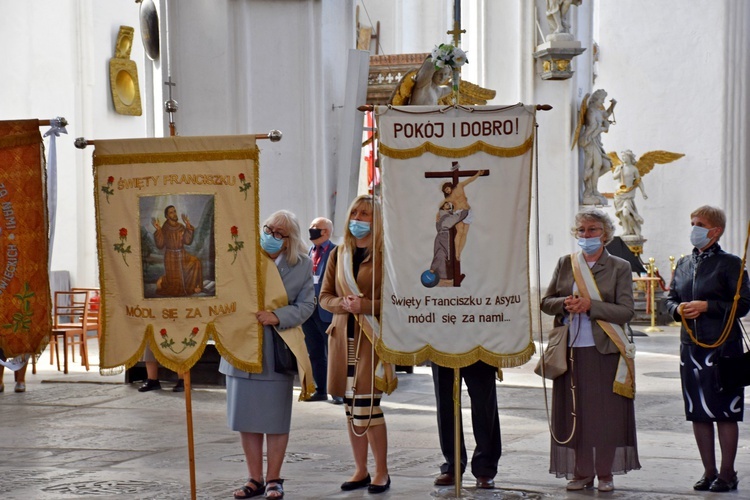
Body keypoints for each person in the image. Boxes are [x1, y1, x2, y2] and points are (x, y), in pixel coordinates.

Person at [540, 209, 639, 492]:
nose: (586, 235)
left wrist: (590, 306)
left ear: (605, 234)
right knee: (576, 412)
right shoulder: (565, 263)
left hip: (605, 349)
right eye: (582, 230)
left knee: (605, 415)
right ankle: (581, 472)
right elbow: (546, 301)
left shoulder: (619, 266)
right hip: (569, 349)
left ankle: (605, 473)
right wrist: (565, 304)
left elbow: (626, 311)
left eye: (593, 230)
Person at [219, 210, 315, 499]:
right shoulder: (243, 258)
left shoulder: (301, 266)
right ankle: (254, 478)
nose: (271, 236)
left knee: (274, 420)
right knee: (245, 419)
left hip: (277, 349)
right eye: (268, 229)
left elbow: (307, 305)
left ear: (289, 240)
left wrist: (278, 315)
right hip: (241, 346)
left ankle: (274, 478)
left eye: (278, 233)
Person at [664, 205, 750, 493]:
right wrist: (678, 309)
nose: (694, 228)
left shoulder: (731, 263)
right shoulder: (684, 264)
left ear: (715, 231)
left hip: (724, 347)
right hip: (691, 348)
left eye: (699, 223)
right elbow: (670, 299)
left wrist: (709, 306)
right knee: (698, 411)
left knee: (725, 411)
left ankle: (727, 474)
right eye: (692, 222)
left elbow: (744, 304)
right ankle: (709, 471)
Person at [319, 194, 396, 494]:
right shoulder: (339, 254)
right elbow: (324, 297)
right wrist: (343, 303)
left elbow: (396, 300)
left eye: (365, 214)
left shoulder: (385, 254)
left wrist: (364, 306)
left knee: (368, 407)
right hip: (343, 337)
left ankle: (382, 471)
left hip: (371, 337)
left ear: (376, 220)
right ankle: (361, 469)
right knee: (351, 408)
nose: (358, 219)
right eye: (355, 213)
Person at [432, 360, 502, 489]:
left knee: (484, 402)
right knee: (445, 400)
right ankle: (453, 464)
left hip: (478, 343)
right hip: (442, 342)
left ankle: (485, 467)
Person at [301, 216, 338, 402]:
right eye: (311, 227)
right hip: (309, 309)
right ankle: (320, 389)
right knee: (314, 352)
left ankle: (337, 391)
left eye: (317, 227)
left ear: (327, 231)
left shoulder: (336, 252)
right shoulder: (309, 252)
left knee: (332, 351)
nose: (312, 230)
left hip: (327, 310)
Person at [152, 205, 203, 296]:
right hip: (171, 257)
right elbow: (160, 245)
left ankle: (193, 286)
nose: (174, 214)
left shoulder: (180, 226)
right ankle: (163, 280)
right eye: (171, 212)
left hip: (182, 254)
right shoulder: (165, 228)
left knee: (196, 262)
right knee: (176, 285)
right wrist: (158, 230)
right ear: (167, 216)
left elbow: (187, 241)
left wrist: (188, 227)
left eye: (174, 211)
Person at [578, 90, 616, 205]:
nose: (603, 102)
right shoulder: (590, 111)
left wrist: (613, 105)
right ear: (595, 100)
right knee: (598, 165)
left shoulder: (598, 111)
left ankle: (591, 185)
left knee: (607, 165)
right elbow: (591, 129)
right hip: (590, 141)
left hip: (597, 142)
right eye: (602, 100)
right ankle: (590, 191)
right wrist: (604, 128)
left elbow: (606, 115)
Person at [441, 168, 485, 261]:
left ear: (449, 186)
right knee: (460, 232)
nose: (447, 191)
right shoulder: (449, 198)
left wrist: (478, 174)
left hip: (468, 211)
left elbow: (470, 180)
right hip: (459, 213)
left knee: (465, 233)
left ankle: (459, 253)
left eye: (447, 188)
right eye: (445, 191)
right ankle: (456, 252)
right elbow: (441, 205)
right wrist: (439, 214)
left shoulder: (460, 186)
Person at [430, 201, 468, 285]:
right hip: (444, 238)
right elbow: (457, 217)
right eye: (446, 204)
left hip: (441, 238)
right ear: (443, 207)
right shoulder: (445, 217)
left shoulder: (441, 216)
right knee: (443, 256)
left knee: (440, 255)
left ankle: (438, 275)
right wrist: (465, 210)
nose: (448, 205)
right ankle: (443, 277)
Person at [613, 150, 647, 237]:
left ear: (630, 157)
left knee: (626, 213)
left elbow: (638, 181)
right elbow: (614, 177)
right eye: (622, 156)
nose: (623, 158)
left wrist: (643, 192)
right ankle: (626, 230)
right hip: (619, 194)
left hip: (628, 194)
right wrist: (620, 170)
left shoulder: (633, 169)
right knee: (621, 214)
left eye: (625, 156)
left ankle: (635, 228)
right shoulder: (619, 167)